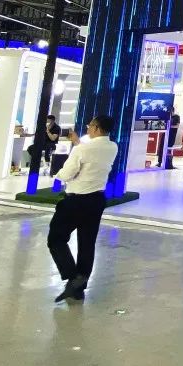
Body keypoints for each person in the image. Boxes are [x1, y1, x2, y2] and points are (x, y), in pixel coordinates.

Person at [47, 114, 118, 303]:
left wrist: (57, 174)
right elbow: (91, 154)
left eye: (90, 125)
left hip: (76, 200)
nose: (88, 128)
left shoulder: (82, 150)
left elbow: (68, 173)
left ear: (96, 128)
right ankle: (79, 288)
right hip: (97, 200)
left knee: (56, 238)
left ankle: (73, 276)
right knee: (87, 244)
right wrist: (77, 143)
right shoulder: (112, 147)